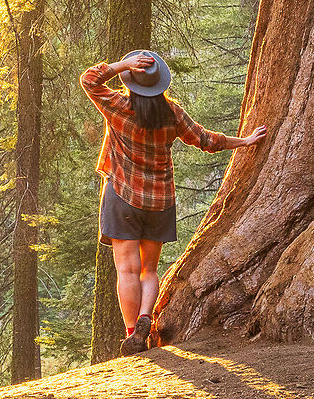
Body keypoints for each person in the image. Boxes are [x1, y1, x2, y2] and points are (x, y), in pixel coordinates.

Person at [83, 49, 267, 355]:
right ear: (160, 84)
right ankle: (146, 318)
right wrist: (244, 141)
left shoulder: (118, 106)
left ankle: (132, 334)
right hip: (160, 200)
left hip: (122, 196)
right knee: (149, 271)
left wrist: (121, 65)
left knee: (127, 271)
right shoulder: (173, 114)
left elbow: (89, 79)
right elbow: (207, 140)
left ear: (130, 81)